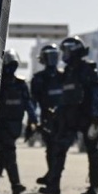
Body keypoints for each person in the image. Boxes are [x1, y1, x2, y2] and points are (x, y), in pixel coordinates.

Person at [39, 36, 98, 194]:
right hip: (68, 117)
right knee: (58, 151)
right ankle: (53, 186)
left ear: (74, 51)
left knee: (92, 151)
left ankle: (94, 187)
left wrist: (96, 115)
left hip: (86, 116)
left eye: (66, 51)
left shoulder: (87, 69)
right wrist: (57, 113)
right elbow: (66, 95)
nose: (64, 54)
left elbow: (95, 93)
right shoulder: (68, 71)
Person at [0, 49, 38, 194]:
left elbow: (28, 104)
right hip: (1, 125)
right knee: (10, 152)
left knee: (3, 156)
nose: (10, 68)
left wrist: (33, 121)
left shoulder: (21, 84)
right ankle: (16, 185)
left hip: (16, 125)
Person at [30, 44, 63, 186]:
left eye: (53, 55)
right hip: (47, 119)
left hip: (63, 118)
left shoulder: (64, 76)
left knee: (57, 150)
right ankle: (52, 177)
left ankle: (52, 179)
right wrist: (34, 120)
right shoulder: (38, 79)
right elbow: (33, 102)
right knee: (51, 149)